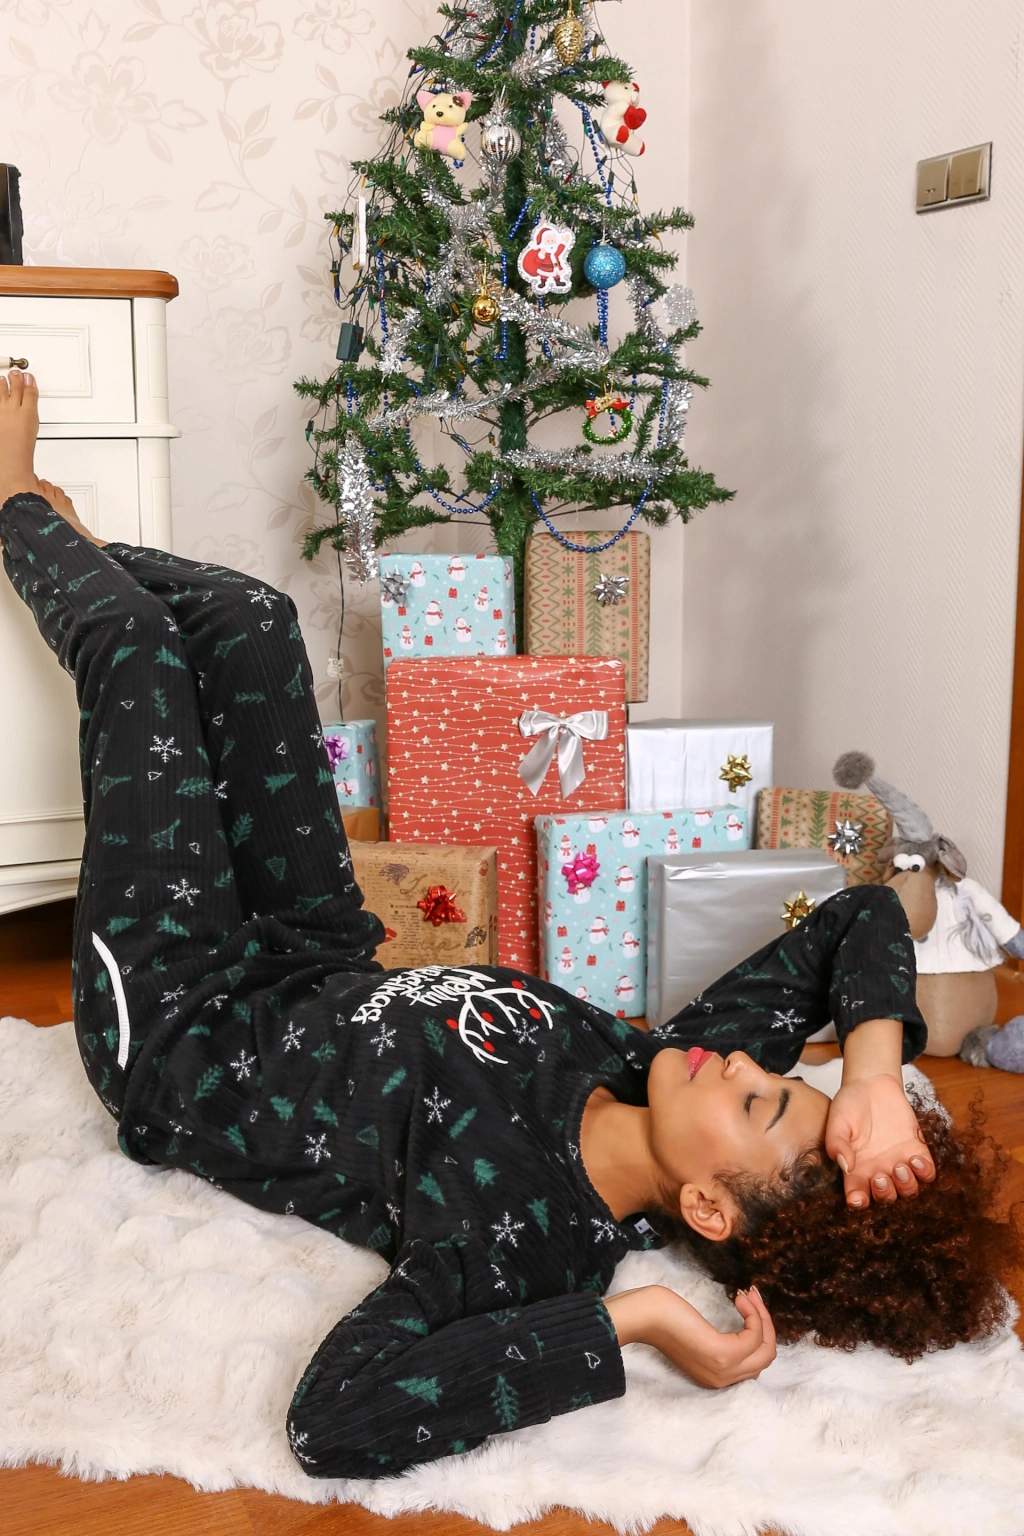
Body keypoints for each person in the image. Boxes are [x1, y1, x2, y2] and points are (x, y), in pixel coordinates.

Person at [1, 372, 1020, 1480]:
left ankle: (13, 504)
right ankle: (71, 546)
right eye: (769, 1074)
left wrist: (632, 1324)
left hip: (182, 1028)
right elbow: (862, 915)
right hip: (313, 952)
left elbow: (332, 1421)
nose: (741, 1062)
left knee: (139, 649)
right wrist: (871, 1077)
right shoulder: (658, 1070)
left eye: (758, 1099)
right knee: (252, 623)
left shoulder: (527, 1239)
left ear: (705, 1208)